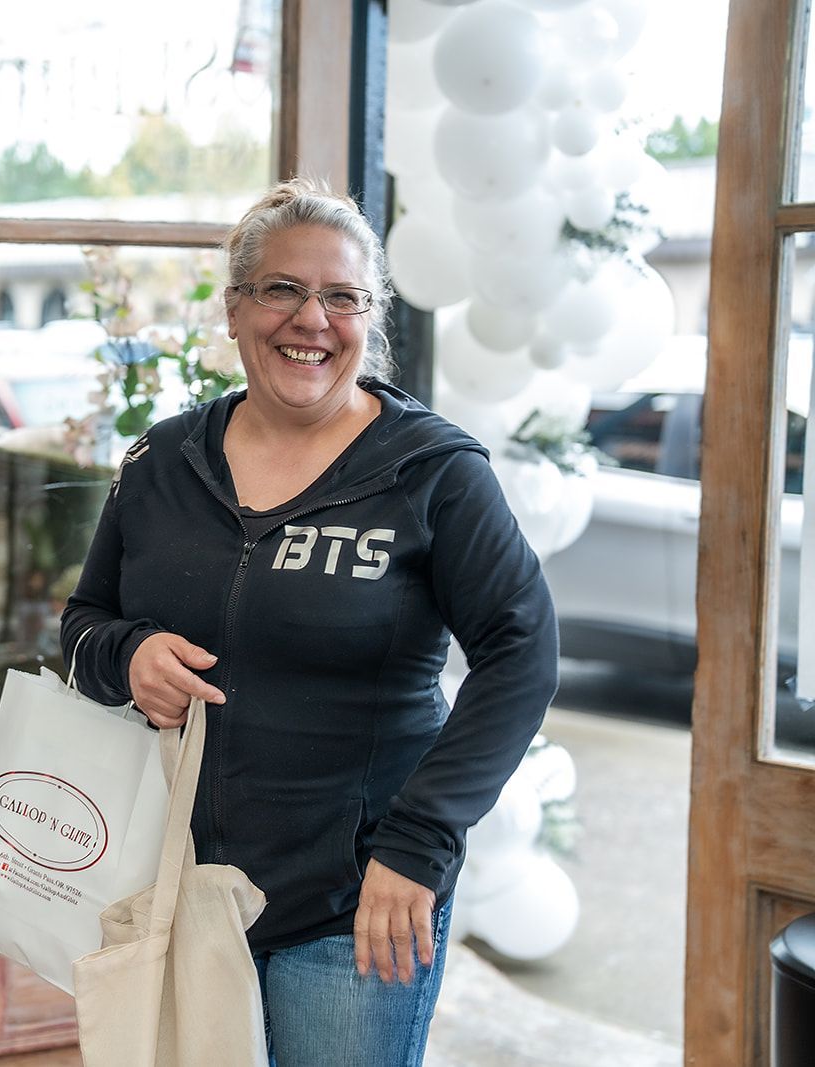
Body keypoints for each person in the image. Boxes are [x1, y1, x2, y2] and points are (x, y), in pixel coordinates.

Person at [59, 178, 559, 1066]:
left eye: (342, 296)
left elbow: (522, 653)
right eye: (283, 288)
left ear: (372, 318)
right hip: (182, 885)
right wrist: (127, 654)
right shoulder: (161, 461)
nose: (312, 319)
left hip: (356, 903)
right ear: (236, 308)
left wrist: (418, 844)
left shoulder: (433, 473)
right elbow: (85, 623)